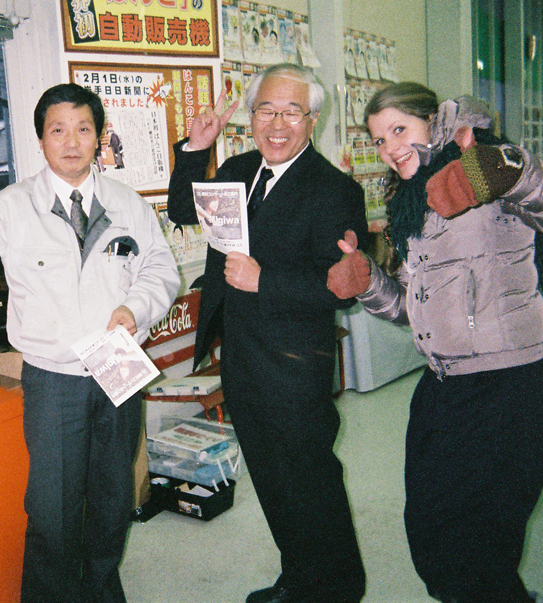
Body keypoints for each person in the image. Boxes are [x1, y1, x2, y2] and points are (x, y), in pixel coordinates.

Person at [0, 83, 179, 603]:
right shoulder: (12, 205)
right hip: (54, 379)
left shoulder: (127, 203)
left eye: (83, 129)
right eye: (57, 130)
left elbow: (160, 268)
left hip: (118, 368)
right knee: (53, 509)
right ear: (40, 139)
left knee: (112, 501)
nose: (71, 141)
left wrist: (135, 308)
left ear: (99, 137)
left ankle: (101, 591)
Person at [327, 82, 543, 603]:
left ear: (435, 121)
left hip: (508, 382)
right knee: (430, 529)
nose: (390, 148)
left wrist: (508, 171)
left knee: (481, 547)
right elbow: (411, 308)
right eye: (379, 140)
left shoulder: (480, 168)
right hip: (443, 384)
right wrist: (369, 283)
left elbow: (536, 194)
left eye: (399, 129)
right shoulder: (412, 205)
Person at [167, 63, 369, 603]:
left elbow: (344, 288)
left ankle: (339, 589)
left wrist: (265, 281)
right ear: (251, 117)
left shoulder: (335, 190)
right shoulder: (238, 168)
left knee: (310, 480)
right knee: (272, 480)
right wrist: (197, 147)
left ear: (313, 119)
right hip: (240, 353)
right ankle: (300, 577)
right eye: (266, 111)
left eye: (291, 112)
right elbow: (184, 209)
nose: (277, 125)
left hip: (294, 363)